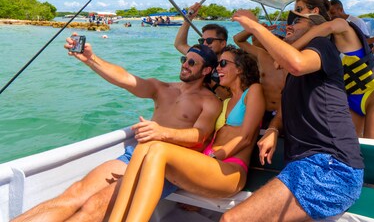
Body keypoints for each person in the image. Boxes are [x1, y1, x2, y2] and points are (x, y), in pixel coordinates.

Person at [12, 41, 222, 222]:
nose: (185, 65)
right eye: (184, 60)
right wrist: (91, 59)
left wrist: (161, 133)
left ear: (206, 71)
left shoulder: (210, 102)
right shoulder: (162, 88)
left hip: (164, 168)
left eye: (192, 62)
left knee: (94, 206)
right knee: (75, 193)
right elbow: (125, 79)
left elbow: (200, 135)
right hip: (134, 154)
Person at [223, 10, 364, 221]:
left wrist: (255, 27)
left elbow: (296, 63)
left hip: (331, 168)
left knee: (231, 219)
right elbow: (283, 109)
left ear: (315, 29)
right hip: (307, 166)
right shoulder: (294, 79)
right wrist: (272, 128)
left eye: (297, 22)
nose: (288, 25)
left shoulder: (323, 47)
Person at [108, 46, 265, 222]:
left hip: (230, 169)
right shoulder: (225, 100)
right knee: (146, 145)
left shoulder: (253, 91)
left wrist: (212, 158)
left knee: (159, 148)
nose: (218, 69)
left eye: (223, 63)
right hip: (209, 166)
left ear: (239, 68)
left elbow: (246, 138)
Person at [289, 8, 374, 140]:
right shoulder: (321, 47)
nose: (293, 23)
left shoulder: (342, 27)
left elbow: (328, 26)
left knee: (373, 147)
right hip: (349, 100)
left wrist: (293, 47)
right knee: (353, 145)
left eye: (298, 19)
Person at [233, 29, 287, 130]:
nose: (277, 42)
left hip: (286, 113)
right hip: (264, 111)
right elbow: (238, 40)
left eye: (281, 38)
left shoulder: (297, 60)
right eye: (274, 38)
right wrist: (255, 27)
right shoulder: (263, 55)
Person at [174, 2, 230, 99]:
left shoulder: (231, 63)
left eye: (209, 41)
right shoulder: (200, 55)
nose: (204, 44)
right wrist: (189, 18)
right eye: (201, 40)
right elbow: (179, 44)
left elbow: (230, 97)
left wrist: (210, 81)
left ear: (222, 44)